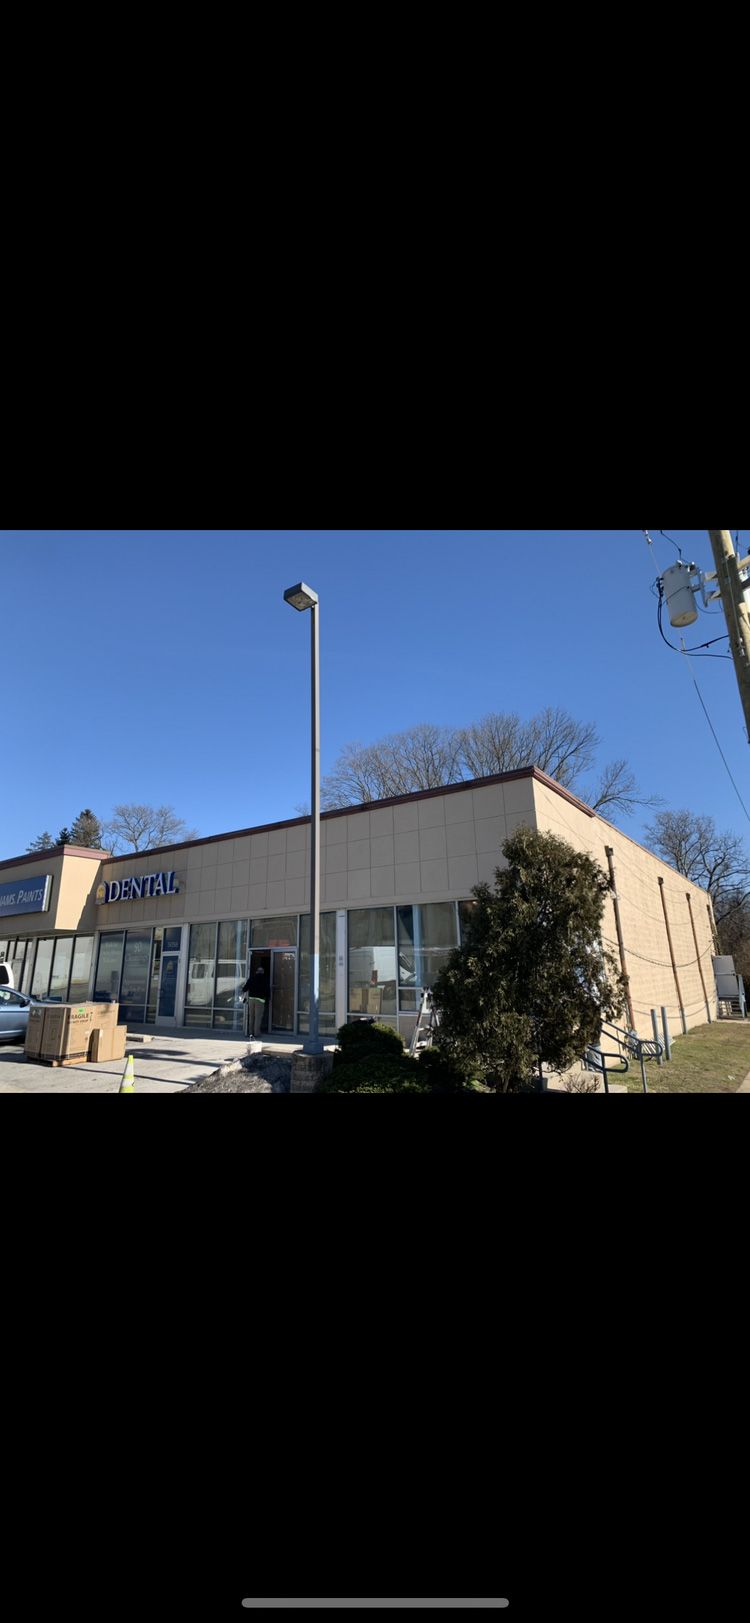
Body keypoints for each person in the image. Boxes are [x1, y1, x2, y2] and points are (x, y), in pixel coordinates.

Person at [241, 961, 269, 1039]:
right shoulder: (265, 979)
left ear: (256, 972)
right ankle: (257, 1033)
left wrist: (243, 992)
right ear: (262, 972)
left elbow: (245, 988)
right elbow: (267, 990)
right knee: (258, 1017)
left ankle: (250, 1032)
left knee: (251, 1016)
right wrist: (268, 998)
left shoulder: (252, 978)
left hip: (251, 999)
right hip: (260, 1000)